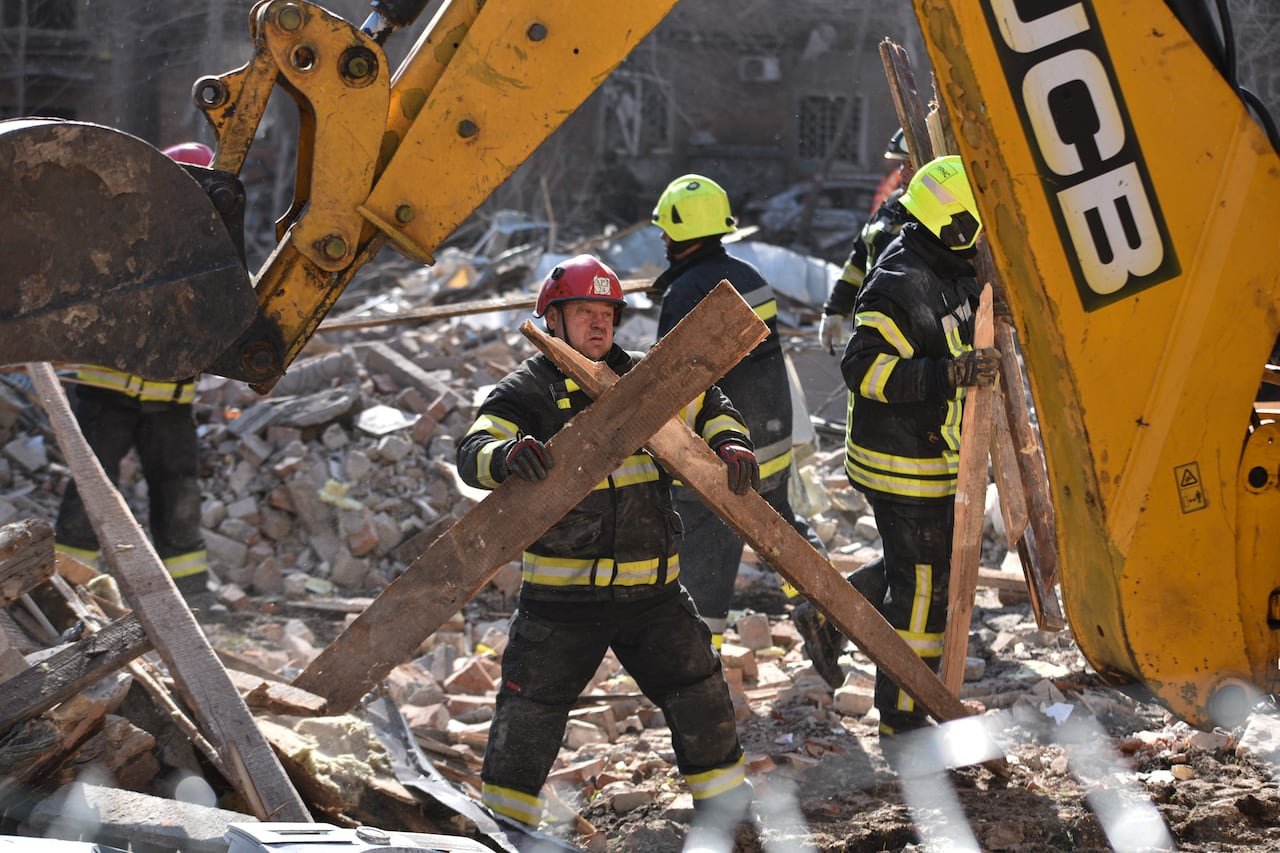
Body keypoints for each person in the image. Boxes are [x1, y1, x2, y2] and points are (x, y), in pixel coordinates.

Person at [456, 254, 758, 831]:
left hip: (654, 595)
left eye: (607, 313)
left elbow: (712, 407)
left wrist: (732, 445)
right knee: (529, 716)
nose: (599, 324)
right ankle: (503, 835)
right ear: (553, 319)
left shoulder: (648, 378)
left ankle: (730, 826)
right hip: (560, 604)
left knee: (701, 695)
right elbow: (474, 451)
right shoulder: (529, 390)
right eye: (584, 312)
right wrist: (507, 456)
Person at [832, 155, 1000, 743]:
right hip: (904, 463)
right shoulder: (901, 283)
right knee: (924, 585)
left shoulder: (947, 261)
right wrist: (948, 374)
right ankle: (903, 714)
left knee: (918, 569)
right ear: (955, 224)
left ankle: (830, 616)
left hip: (931, 452)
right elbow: (864, 369)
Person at [649, 173, 831, 649]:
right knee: (784, 532)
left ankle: (698, 657)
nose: (663, 239)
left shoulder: (685, 295)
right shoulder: (750, 279)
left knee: (706, 562)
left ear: (679, 231)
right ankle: (826, 607)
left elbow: (676, 386)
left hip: (722, 456)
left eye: (666, 230)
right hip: (769, 444)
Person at [53, 142, 214, 602]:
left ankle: (191, 599)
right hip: (107, 392)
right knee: (91, 490)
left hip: (170, 400)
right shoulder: (121, 232)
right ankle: (71, 588)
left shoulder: (208, 244)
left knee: (178, 494)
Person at [818, 128, 916, 356]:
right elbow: (859, 260)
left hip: (912, 341)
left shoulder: (940, 216)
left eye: (910, 166)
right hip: (871, 330)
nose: (902, 175)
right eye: (902, 165)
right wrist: (835, 308)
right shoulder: (891, 207)